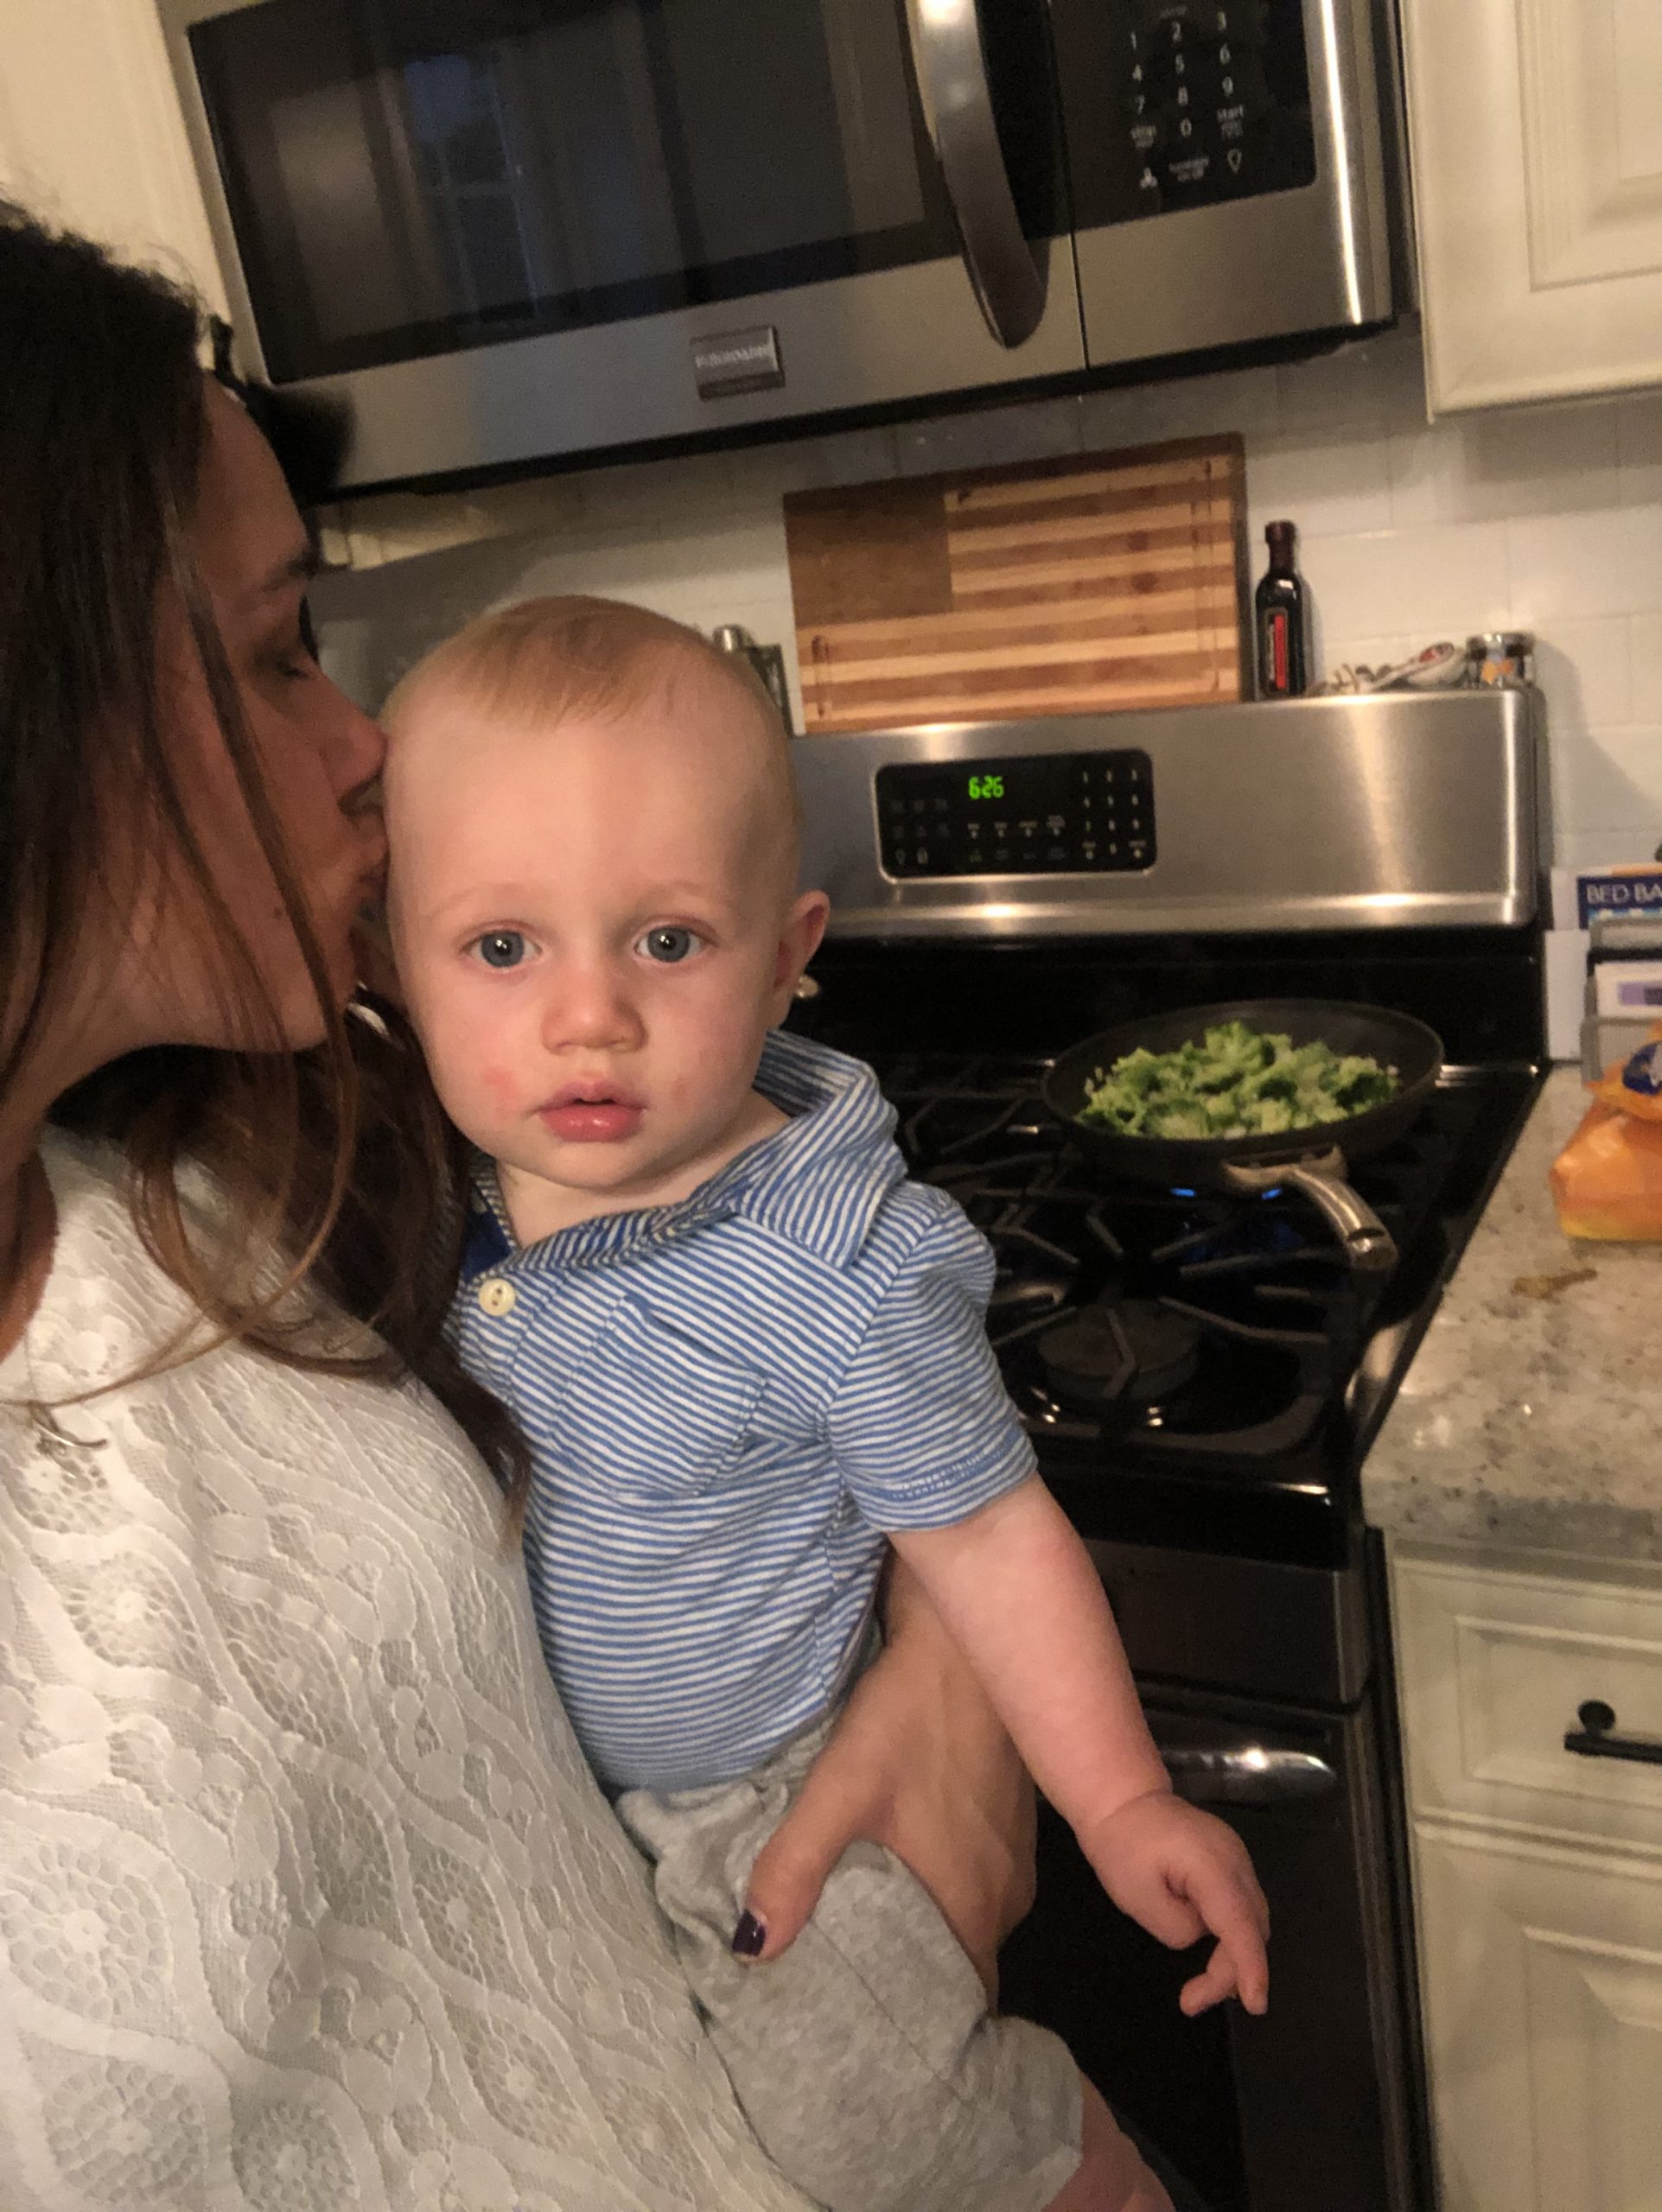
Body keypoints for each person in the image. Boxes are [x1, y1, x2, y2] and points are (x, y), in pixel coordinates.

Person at [0, 204, 1052, 2212]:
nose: (366, 744)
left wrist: (945, 1682)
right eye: (273, 653)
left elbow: (835, 1363)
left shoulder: (251, 1157)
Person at [381, 595, 1272, 2212]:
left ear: (789, 958)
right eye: (502, 947)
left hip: (768, 1792)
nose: (589, 1016)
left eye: (667, 940)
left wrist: (1121, 1797)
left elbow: (995, 1540)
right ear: (399, 968)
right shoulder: (440, 1185)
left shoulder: (837, 1263)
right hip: (561, 1806)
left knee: (870, 2134)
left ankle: (1080, 2170)